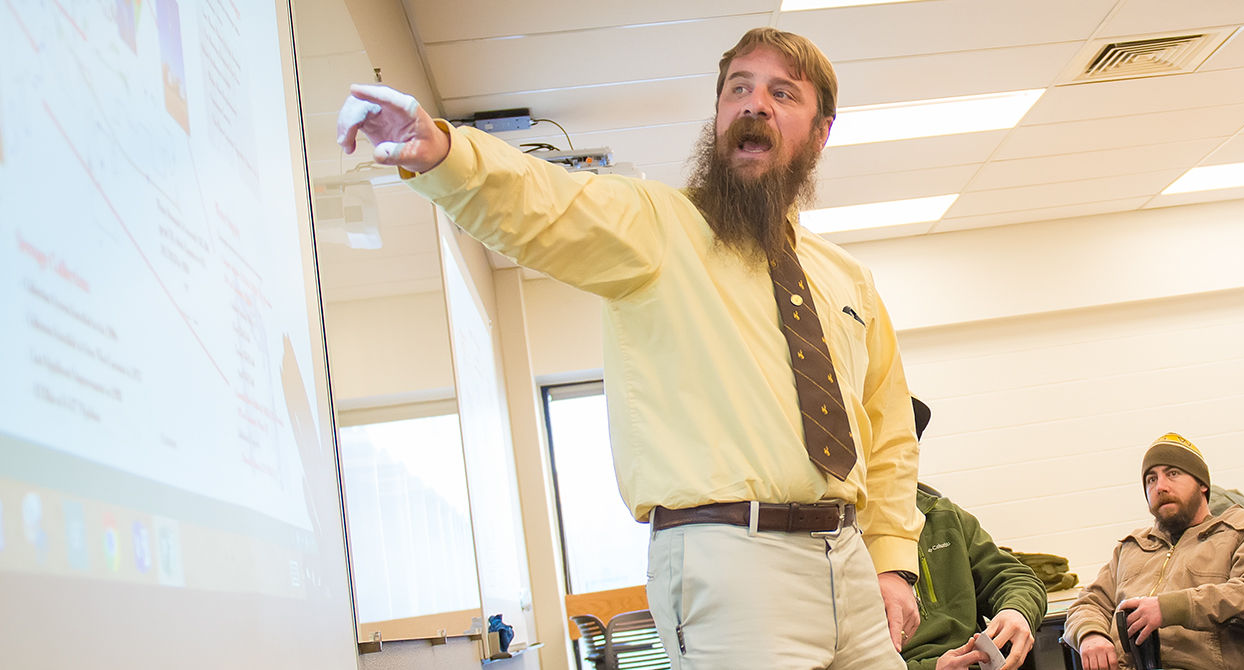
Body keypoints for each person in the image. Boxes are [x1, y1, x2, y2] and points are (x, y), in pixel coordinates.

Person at [337, 28, 923, 668]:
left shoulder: (847, 279)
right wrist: (444, 153)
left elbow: (889, 432)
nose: (754, 104)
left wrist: (893, 561)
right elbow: (547, 204)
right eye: (738, 89)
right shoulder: (658, 226)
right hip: (732, 561)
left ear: (820, 132)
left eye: (782, 93)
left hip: (849, 559)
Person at [1064, 433, 1244, 670]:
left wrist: (1172, 608)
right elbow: (1088, 603)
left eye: (1173, 474)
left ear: (1203, 484)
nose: (1160, 487)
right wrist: (1090, 634)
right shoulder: (1133, 547)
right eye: (1151, 480)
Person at [902, 400, 1046, 670]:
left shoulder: (945, 516)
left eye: (908, 439)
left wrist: (1016, 611)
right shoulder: (838, 537)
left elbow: (1017, 578)